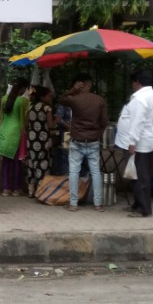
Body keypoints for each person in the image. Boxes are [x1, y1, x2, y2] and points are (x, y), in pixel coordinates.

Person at [115, 70, 153, 218]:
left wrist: (132, 142)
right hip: (147, 140)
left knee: (139, 176)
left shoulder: (140, 99)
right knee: (138, 174)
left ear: (137, 82)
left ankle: (144, 209)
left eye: (133, 82)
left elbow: (138, 121)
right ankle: (137, 203)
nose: (132, 85)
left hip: (138, 143)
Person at [58, 72, 108, 212]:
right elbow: (104, 121)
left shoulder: (75, 99)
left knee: (74, 172)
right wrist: (98, 134)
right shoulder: (99, 100)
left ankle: (73, 204)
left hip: (77, 140)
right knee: (95, 172)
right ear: (90, 84)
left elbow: (61, 100)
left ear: (80, 84)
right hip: (93, 140)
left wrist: (72, 90)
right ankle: (98, 204)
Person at [0, 77, 30, 196]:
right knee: (17, 163)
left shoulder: (4, 99)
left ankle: (5, 189)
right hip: (16, 133)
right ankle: (16, 189)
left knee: (5, 163)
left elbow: (0, 118)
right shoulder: (23, 101)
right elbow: (25, 120)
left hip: (4, 132)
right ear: (22, 88)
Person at [24, 85, 55, 197]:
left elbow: (26, 124)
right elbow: (50, 125)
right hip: (43, 141)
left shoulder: (30, 107)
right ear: (42, 97)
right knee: (43, 164)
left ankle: (31, 189)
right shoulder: (47, 109)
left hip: (31, 140)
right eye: (49, 96)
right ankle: (41, 190)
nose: (51, 98)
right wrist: (55, 124)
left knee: (31, 163)